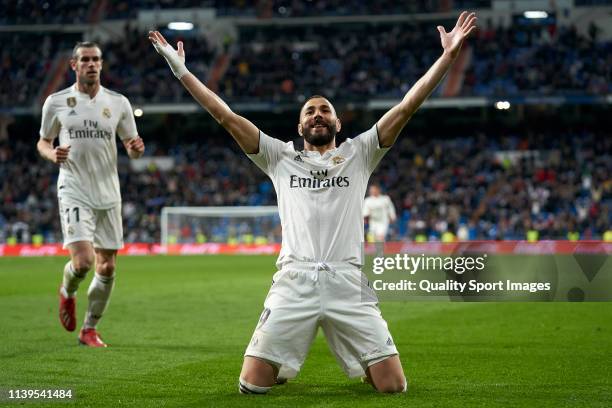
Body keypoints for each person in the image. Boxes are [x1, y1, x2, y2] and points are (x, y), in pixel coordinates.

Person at [149, 11, 476, 393]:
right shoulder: (278, 156)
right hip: (294, 281)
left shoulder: (362, 152)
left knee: (393, 387)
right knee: (251, 387)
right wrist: (181, 72)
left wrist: (448, 58)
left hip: (347, 280)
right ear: (299, 126)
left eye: (325, 111)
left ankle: (362, 361)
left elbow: (406, 107)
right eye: (310, 111)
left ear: (338, 124)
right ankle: (282, 363)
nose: (317, 115)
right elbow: (225, 115)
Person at [37, 41, 145, 347]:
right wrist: (51, 154)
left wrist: (137, 150)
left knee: (107, 266)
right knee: (83, 261)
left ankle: (89, 329)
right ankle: (67, 292)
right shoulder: (57, 102)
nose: (91, 64)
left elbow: (132, 147)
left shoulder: (119, 103)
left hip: (109, 193)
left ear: (101, 64)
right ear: (74, 65)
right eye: (85, 59)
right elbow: (42, 142)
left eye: (96, 59)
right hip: (74, 189)